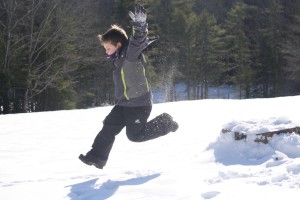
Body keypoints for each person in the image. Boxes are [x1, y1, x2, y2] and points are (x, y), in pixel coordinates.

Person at [79, 4, 179, 169]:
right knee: (109, 127)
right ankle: (97, 157)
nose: (106, 52)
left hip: (139, 105)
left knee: (135, 136)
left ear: (118, 45)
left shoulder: (130, 53)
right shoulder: (117, 59)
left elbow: (138, 39)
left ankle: (166, 123)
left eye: (108, 48)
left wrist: (140, 25)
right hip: (124, 104)